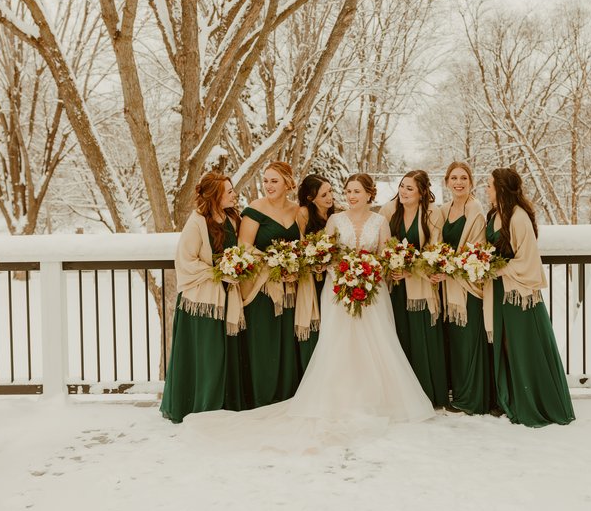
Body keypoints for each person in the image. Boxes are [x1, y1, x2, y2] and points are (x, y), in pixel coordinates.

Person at [185, 173, 434, 452]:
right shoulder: (335, 221)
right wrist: (337, 270)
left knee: (376, 341)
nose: (351, 196)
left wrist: (375, 270)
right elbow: (323, 256)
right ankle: (336, 397)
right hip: (337, 289)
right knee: (337, 343)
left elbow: (385, 255)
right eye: (348, 191)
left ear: (369, 194)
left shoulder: (380, 222)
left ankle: (376, 397)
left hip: (372, 290)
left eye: (356, 191)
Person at [485, 168, 575, 427]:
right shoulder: (494, 215)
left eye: (490, 185)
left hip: (518, 292)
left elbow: (527, 260)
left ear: (501, 188)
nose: (487, 189)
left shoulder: (519, 218)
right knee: (505, 344)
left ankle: (535, 404)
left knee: (523, 347)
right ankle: (511, 399)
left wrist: (497, 267)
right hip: (499, 289)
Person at [160, 171, 245, 423]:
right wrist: (218, 273)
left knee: (223, 355)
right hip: (201, 302)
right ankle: (199, 405)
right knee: (206, 355)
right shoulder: (197, 221)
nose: (234, 194)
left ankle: (223, 404)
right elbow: (186, 260)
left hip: (228, 298)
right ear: (215, 196)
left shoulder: (233, 218)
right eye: (229, 191)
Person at [380, 170, 449, 408]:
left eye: (410, 188)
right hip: (397, 287)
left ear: (421, 192)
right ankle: (403, 396)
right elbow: (382, 245)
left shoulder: (432, 213)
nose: (403, 192)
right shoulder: (388, 212)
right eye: (401, 186)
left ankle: (429, 394)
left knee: (424, 338)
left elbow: (435, 249)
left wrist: (413, 270)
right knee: (401, 338)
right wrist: (392, 265)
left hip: (422, 286)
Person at [238, 161, 301, 408]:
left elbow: (302, 246)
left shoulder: (297, 211)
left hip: (290, 288)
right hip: (262, 289)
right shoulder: (255, 209)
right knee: (263, 340)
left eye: (274, 180)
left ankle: (285, 394)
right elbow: (244, 247)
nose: (268, 185)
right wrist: (273, 263)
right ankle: (261, 395)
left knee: (287, 340)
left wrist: (294, 267)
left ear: (287, 182)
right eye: (265, 180)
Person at [438, 162, 496, 415]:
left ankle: (474, 398)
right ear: (447, 181)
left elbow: (476, 247)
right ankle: (459, 393)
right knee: (456, 340)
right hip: (448, 285)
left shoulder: (475, 208)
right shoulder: (444, 209)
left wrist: (449, 267)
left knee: (470, 339)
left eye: (463, 178)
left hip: (468, 285)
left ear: (471, 182)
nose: (458, 182)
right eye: (454, 178)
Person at [293, 174, 338, 372]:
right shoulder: (303, 213)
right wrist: (312, 263)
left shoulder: (335, 215)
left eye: (330, 192)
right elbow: (299, 246)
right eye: (324, 195)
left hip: (331, 276)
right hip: (311, 277)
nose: (330, 198)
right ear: (311, 198)